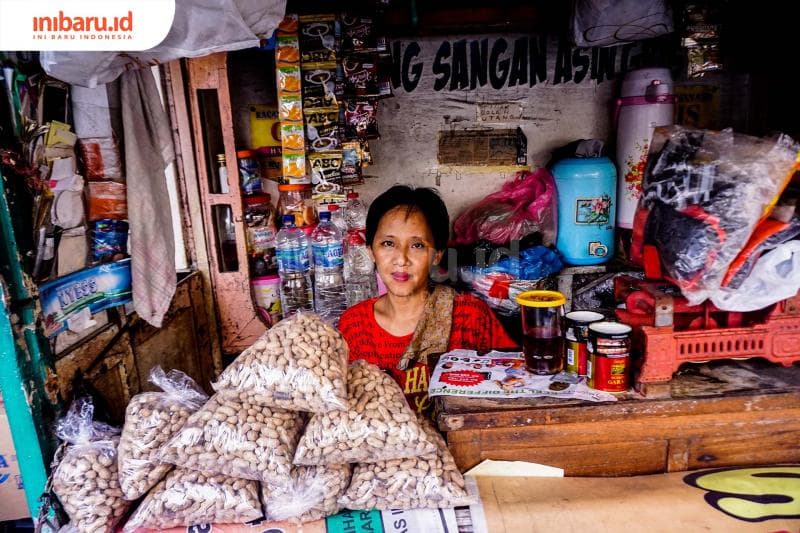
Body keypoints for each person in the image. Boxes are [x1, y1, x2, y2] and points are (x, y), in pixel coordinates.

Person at [338, 185, 517, 414]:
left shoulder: (470, 316)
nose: (401, 259)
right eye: (388, 244)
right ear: (371, 251)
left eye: (417, 245)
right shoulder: (354, 325)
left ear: (437, 255)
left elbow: (513, 383)